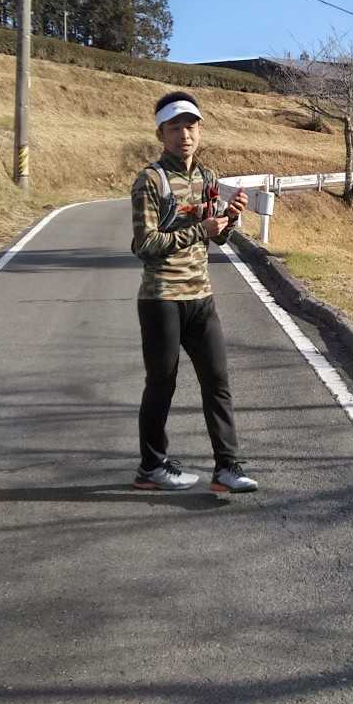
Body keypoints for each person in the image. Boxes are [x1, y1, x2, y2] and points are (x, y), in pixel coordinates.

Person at [129, 90, 257, 494]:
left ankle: (227, 468)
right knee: (161, 384)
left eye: (191, 126)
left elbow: (216, 238)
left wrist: (228, 219)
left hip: (201, 296)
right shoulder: (150, 180)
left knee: (217, 381)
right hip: (161, 298)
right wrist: (202, 228)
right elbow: (144, 245)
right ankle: (151, 467)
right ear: (161, 134)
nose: (184, 135)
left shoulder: (208, 178)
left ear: (200, 130)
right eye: (175, 128)